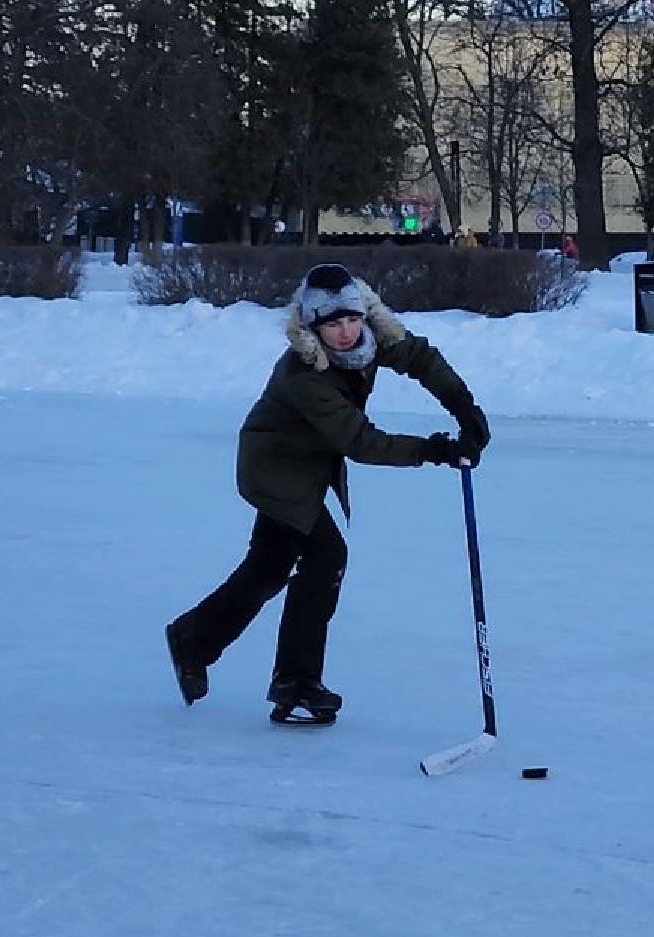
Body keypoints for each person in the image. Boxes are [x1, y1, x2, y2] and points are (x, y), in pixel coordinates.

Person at [165, 263, 490, 726]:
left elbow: (420, 358)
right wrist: (434, 449)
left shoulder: (371, 336)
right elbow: (361, 442)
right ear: (314, 326)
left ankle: (194, 639)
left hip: (308, 462)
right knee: (325, 557)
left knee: (270, 565)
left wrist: (464, 407)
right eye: (332, 324)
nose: (345, 332)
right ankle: (295, 683)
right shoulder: (305, 374)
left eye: (351, 319)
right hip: (276, 468)